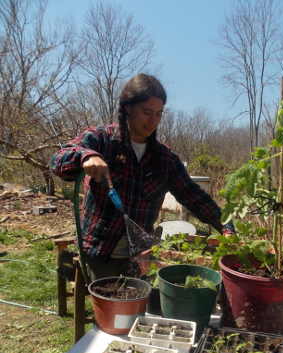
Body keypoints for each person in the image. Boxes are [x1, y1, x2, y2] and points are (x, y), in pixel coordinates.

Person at [51, 73, 234, 281]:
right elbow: (57, 161)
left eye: (158, 114)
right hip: (99, 254)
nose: (152, 120)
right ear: (128, 107)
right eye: (147, 112)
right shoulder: (101, 140)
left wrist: (226, 227)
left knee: (141, 307)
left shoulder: (165, 159)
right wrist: (86, 156)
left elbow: (195, 197)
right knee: (115, 309)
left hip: (141, 258)